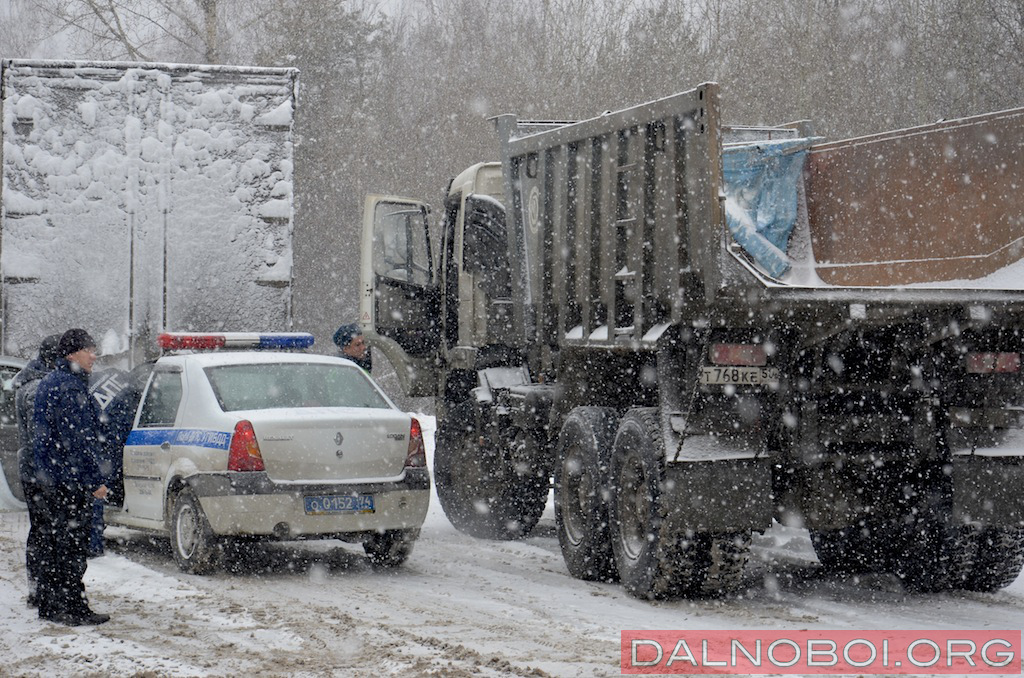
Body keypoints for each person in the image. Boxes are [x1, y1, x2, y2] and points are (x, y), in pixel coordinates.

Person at [32, 328, 111, 626]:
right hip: (69, 482)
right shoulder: (70, 388)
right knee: (71, 546)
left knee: (53, 544)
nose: (94, 356)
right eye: (89, 350)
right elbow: (78, 441)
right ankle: (72, 607)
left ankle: (51, 605)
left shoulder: (51, 383)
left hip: (51, 479)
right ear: (72, 353)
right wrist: (94, 481)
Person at [13, 333, 62, 608]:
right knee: (45, 530)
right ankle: (42, 589)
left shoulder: (31, 383)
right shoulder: (36, 390)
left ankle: (38, 587)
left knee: (40, 529)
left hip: (33, 469)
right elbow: (40, 437)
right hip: (39, 471)